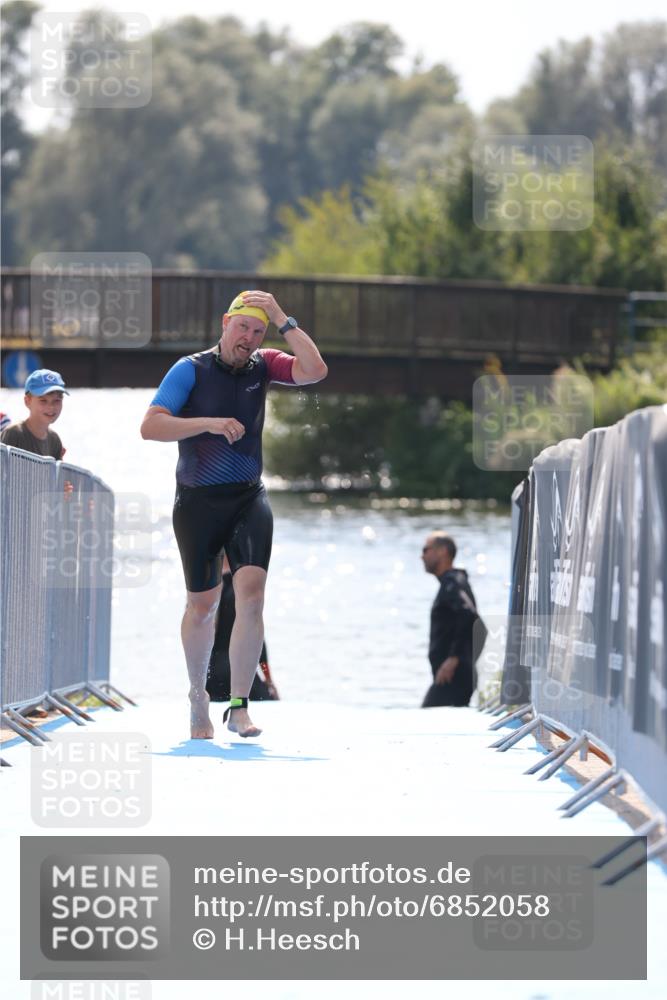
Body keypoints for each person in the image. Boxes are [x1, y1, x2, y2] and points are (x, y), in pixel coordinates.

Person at [140, 289, 327, 739]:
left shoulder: (264, 364)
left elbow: (315, 370)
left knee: (252, 593)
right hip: (198, 502)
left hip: (248, 497)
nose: (249, 338)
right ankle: (197, 696)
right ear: (225, 323)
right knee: (202, 607)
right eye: (243, 327)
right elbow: (150, 426)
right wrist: (207, 423)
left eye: (257, 330)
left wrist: (283, 318)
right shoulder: (191, 370)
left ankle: (240, 707)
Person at [420, 532, 486, 708]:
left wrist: (454, 659)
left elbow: (470, 616)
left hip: (453, 678)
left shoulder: (453, 582)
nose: (422, 555)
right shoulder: (453, 582)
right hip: (456, 677)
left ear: (442, 552)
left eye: (426, 549)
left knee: (425, 720)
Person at [206, 555, 278, 703]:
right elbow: (260, 649)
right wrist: (269, 681)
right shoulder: (246, 592)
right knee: (269, 700)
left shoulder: (206, 593)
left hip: (212, 678)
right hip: (239, 672)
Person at [1, 369, 69, 459]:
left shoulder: (55, 440)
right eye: (43, 400)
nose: (51, 407)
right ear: (27, 401)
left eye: (56, 400)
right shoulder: (13, 433)